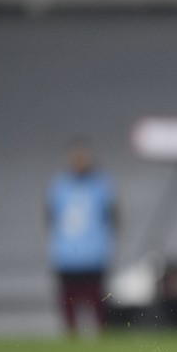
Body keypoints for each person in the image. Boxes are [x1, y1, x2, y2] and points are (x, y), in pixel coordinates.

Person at [45, 139, 118, 335]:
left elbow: (112, 215)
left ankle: (102, 333)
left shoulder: (100, 184)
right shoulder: (60, 185)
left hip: (94, 253)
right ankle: (71, 334)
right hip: (67, 254)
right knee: (68, 298)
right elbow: (51, 216)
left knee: (97, 297)